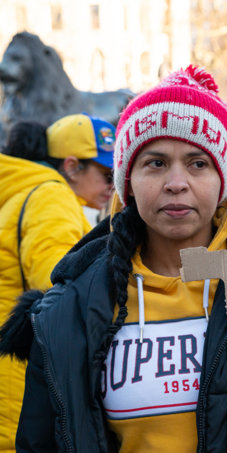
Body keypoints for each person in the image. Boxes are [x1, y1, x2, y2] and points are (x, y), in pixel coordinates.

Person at [0, 66, 227, 451]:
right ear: (127, 181)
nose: (176, 183)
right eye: (156, 163)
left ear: (224, 181)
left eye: (198, 163)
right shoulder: (66, 313)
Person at [0, 114, 115, 452]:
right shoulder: (51, 196)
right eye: (107, 175)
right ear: (72, 166)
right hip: (18, 382)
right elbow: (59, 282)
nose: (113, 186)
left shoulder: (22, 191)